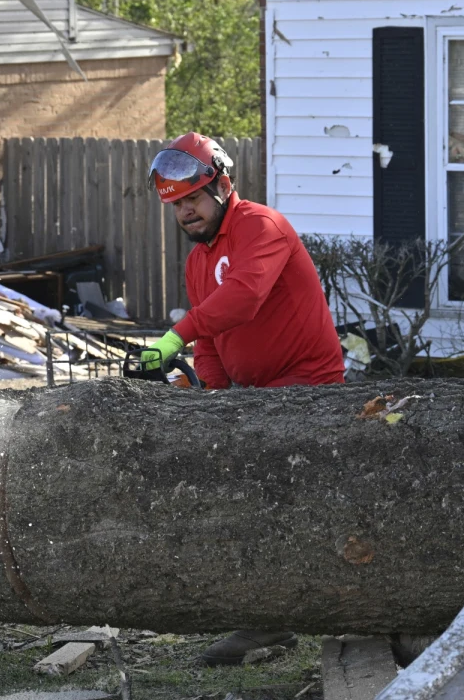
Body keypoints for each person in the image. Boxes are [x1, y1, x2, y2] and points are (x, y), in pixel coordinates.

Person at [141, 132, 345, 666]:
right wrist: (215, 393)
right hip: (252, 399)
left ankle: (292, 617)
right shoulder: (197, 263)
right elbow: (210, 341)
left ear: (223, 186)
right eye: (177, 205)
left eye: (193, 200)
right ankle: (264, 620)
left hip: (309, 390)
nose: (186, 213)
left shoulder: (261, 226)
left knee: (281, 508)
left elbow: (246, 296)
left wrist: (173, 336)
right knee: (242, 505)